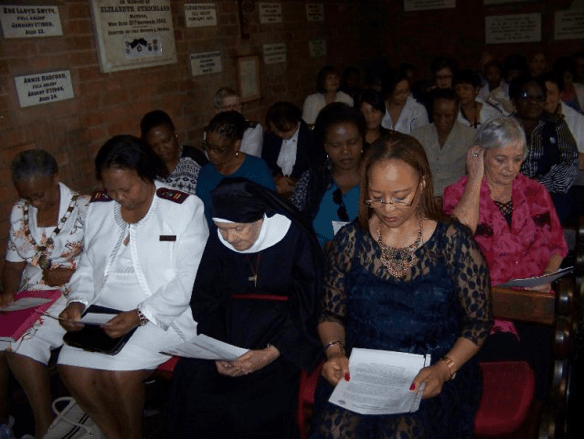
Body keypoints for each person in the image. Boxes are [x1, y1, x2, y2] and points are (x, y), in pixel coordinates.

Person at [310, 131, 492, 438]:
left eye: (399, 196)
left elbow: (478, 323)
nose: (388, 208)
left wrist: (444, 369)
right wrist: (334, 352)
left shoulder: (453, 244)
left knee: (402, 431)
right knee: (337, 430)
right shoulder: (350, 242)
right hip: (365, 368)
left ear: (422, 185)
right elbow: (330, 314)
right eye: (377, 197)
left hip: (434, 369)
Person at [57, 135, 208, 439]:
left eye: (126, 189)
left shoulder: (182, 208)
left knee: (117, 373)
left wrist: (140, 314)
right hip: (104, 309)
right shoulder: (99, 207)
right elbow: (88, 264)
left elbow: (189, 279)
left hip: (163, 311)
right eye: (111, 190)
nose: (119, 198)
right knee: (70, 366)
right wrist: (78, 300)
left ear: (147, 173)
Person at [167, 177, 323, 438]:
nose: (229, 237)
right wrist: (215, 350)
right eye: (222, 229)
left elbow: (311, 302)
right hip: (226, 333)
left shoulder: (293, 236)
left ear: (260, 219)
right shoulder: (222, 238)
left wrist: (273, 352)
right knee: (193, 386)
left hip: (282, 335)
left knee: (245, 407)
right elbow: (206, 297)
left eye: (237, 229)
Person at [443, 116, 568, 406]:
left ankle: (540, 418)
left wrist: (547, 278)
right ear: (480, 154)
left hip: (534, 300)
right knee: (506, 356)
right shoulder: (458, 194)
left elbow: (557, 245)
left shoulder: (535, 192)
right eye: (500, 159)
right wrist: (475, 178)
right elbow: (459, 237)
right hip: (486, 304)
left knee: (551, 353)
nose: (510, 168)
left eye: (517, 159)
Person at [0, 150, 90, 438]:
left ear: (56, 178)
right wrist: (8, 293)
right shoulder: (20, 211)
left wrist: (70, 274)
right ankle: (4, 422)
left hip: (71, 293)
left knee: (19, 345)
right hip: (30, 294)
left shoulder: (86, 208)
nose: (35, 203)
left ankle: (44, 424)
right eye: (28, 197)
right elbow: (13, 266)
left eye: (40, 194)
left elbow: (104, 268)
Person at [292, 103, 365, 246]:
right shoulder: (312, 181)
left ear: (362, 140)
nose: (345, 151)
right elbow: (295, 227)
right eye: (336, 145)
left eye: (352, 142)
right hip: (319, 263)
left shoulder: (378, 179)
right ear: (325, 146)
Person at [510, 75, 578, 223]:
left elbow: (569, 162)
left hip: (550, 195)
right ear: (514, 101)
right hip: (509, 194)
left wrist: (538, 184)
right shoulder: (503, 127)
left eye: (539, 97)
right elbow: (491, 164)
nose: (533, 102)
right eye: (526, 96)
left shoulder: (556, 125)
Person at [197, 111, 275, 225]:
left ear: (236, 145)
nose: (210, 153)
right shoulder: (206, 172)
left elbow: (271, 212)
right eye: (207, 146)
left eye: (219, 149)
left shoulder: (256, 169)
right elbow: (204, 217)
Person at [410, 89, 476, 199]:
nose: (442, 120)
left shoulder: (471, 137)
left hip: (458, 200)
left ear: (456, 113)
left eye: (448, 116)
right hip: (425, 200)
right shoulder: (417, 137)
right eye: (437, 115)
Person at [262, 102, 323, 196]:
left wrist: (294, 183)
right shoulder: (270, 137)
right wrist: (276, 178)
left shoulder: (312, 139)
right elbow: (265, 163)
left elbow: (317, 169)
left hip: (304, 190)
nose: (279, 134)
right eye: (275, 130)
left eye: (283, 130)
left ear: (295, 123)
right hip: (276, 187)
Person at [140, 109, 208, 194]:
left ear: (175, 135)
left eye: (166, 141)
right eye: (154, 145)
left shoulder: (194, 158)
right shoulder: (148, 169)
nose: (162, 149)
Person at [212, 87, 263, 157]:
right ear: (217, 110)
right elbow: (213, 158)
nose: (234, 110)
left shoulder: (251, 129)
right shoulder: (212, 131)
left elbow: (249, 157)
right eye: (229, 107)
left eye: (236, 106)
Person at [381, 70, 428, 134]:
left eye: (407, 90)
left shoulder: (418, 110)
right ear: (389, 93)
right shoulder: (379, 108)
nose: (405, 95)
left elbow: (423, 137)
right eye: (399, 93)